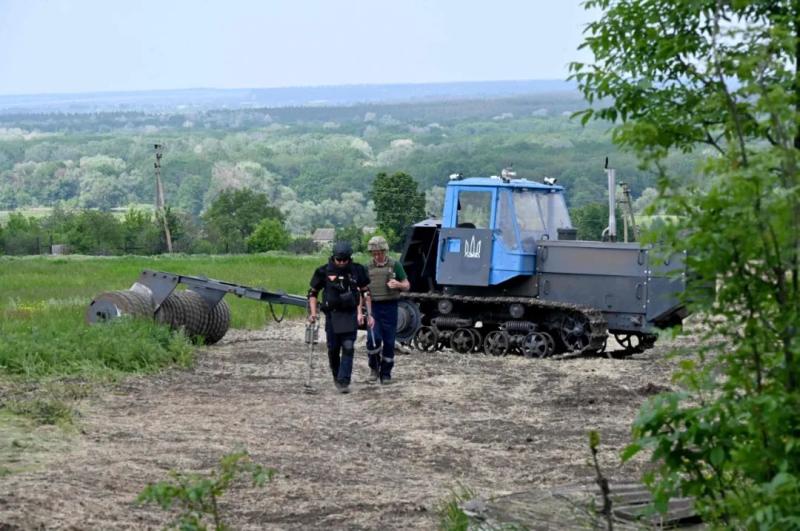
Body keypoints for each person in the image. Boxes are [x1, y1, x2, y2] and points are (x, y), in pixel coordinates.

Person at [308, 241, 373, 394]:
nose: (342, 263)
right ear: (333, 257)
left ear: (350, 258)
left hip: (349, 314)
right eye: (339, 260)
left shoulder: (357, 270)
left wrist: (369, 314)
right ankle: (336, 376)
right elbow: (312, 293)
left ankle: (344, 381)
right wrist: (313, 314)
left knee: (349, 347)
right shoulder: (323, 271)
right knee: (333, 349)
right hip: (332, 315)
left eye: (345, 260)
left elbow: (366, 292)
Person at [364, 235, 410, 384]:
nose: (377, 256)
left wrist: (398, 285)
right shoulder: (367, 268)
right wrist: (366, 311)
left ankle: (386, 373)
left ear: (385, 251)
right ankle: (373, 367)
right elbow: (362, 290)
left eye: (380, 253)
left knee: (389, 342)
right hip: (374, 307)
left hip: (390, 307)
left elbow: (407, 285)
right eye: (374, 253)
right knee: (373, 338)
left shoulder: (395, 265)